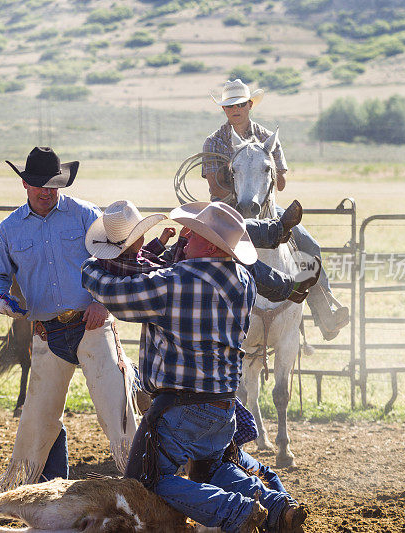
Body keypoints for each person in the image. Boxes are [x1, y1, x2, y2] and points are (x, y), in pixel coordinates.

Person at [82, 201, 307, 533]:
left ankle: (238, 512)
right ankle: (277, 507)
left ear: (213, 245)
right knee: (213, 469)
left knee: (147, 481)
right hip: (223, 406)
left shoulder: (179, 280)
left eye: (195, 234)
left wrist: (90, 267)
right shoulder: (243, 278)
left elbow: (117, 294)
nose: (186, 236)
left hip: (181, 408)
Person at [0, 147, 138, 490]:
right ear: (25, 185)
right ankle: (47, 490)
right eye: (39, 185)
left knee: (117, 410)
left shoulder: (85, 215)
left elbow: (112, 259)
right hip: (46, 331)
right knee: (40, 417)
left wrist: (102, 302)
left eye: (52, 185)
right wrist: (2, 300)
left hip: (92, 324)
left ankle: (144, 479)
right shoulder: (9, 230)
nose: (46, 191)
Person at [203, 78, 349, 340]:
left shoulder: (267, 138)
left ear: (249, 105)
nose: (235, 109)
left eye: (240, 104)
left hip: (266, 208)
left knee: (308, 244)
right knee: (197, 254)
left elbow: (280, 182)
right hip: (226, 211)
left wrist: (264, 169)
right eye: (229, 106)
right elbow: (215, 188)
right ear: (224, 110)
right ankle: (197, 320)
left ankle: (324, 311)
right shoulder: (213, 143)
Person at [85, 199, 317, 304]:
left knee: (216, 228)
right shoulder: (131, 268)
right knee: (221, 239)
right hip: (174, 272)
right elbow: (165, 270)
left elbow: (144, 254)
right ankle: (278, 238)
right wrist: (181, 245)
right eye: (140, 235)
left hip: (167, 267)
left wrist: (164, 241)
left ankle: (279, 237)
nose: (143, 237)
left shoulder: (121, 257)